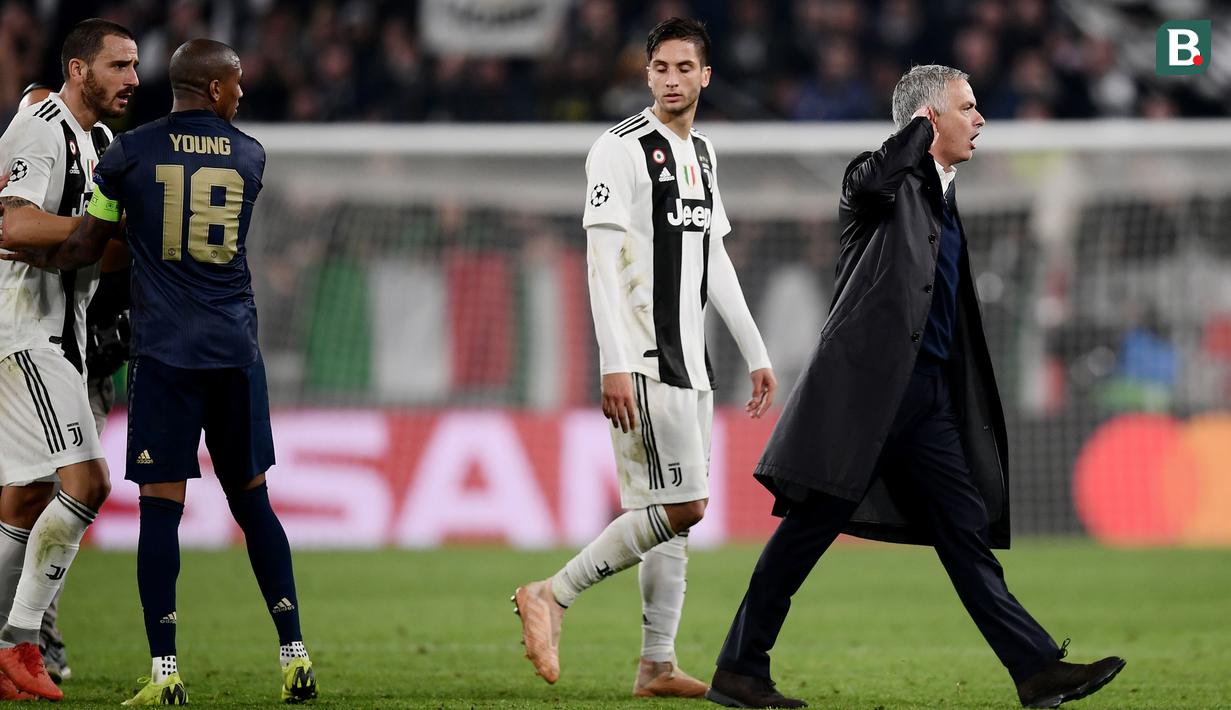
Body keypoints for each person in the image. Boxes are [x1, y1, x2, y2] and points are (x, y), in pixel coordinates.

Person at [705, 65, 1126, 709]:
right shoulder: (873, 185)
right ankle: (739, 670)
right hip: (864, 403)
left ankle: (1038, 670)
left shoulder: (944, 196)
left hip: (926, 403)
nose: (980, 118)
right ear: (930, 119)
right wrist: (916, 131)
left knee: (966, 538)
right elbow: (874, 178)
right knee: (802, 539)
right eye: (967, 107)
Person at [3, 38, 318, 706]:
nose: (240, 95)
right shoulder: (251, 155)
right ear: (213, 90)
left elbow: (92, 244)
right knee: (255, 502)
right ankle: (295, 655)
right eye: (235, 85)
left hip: (165, 352)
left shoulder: (127, 153)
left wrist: (31, 246)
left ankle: (164, 673)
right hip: (234, 349)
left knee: (156, 512)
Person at [513, 17, 776, 698]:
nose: (671, 79)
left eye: (684, 68)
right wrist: (614, 360)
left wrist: (754, 351)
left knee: (673, 519)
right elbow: (600, 261)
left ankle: (655, 664)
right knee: (684, 504)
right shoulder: (619, 149)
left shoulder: (704, 155)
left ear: (704, 76)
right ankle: (551, 593)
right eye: (660, 67)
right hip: (646, 357)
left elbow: (712, 257)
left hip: (693, 361)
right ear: (646, 73)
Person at [0, 19, 139, 702]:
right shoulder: (40, 124)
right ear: (79, 70)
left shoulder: (105, 145)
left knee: (27, 495)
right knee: (85, 482)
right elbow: (15, 226)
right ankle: (19, 639)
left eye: (136, 66)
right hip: (25, 330)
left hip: (69, 334)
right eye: (118, 66)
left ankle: (11, 643)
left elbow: (100, 252)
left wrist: (139, 244)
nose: (133, 80)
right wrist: (91, 234)